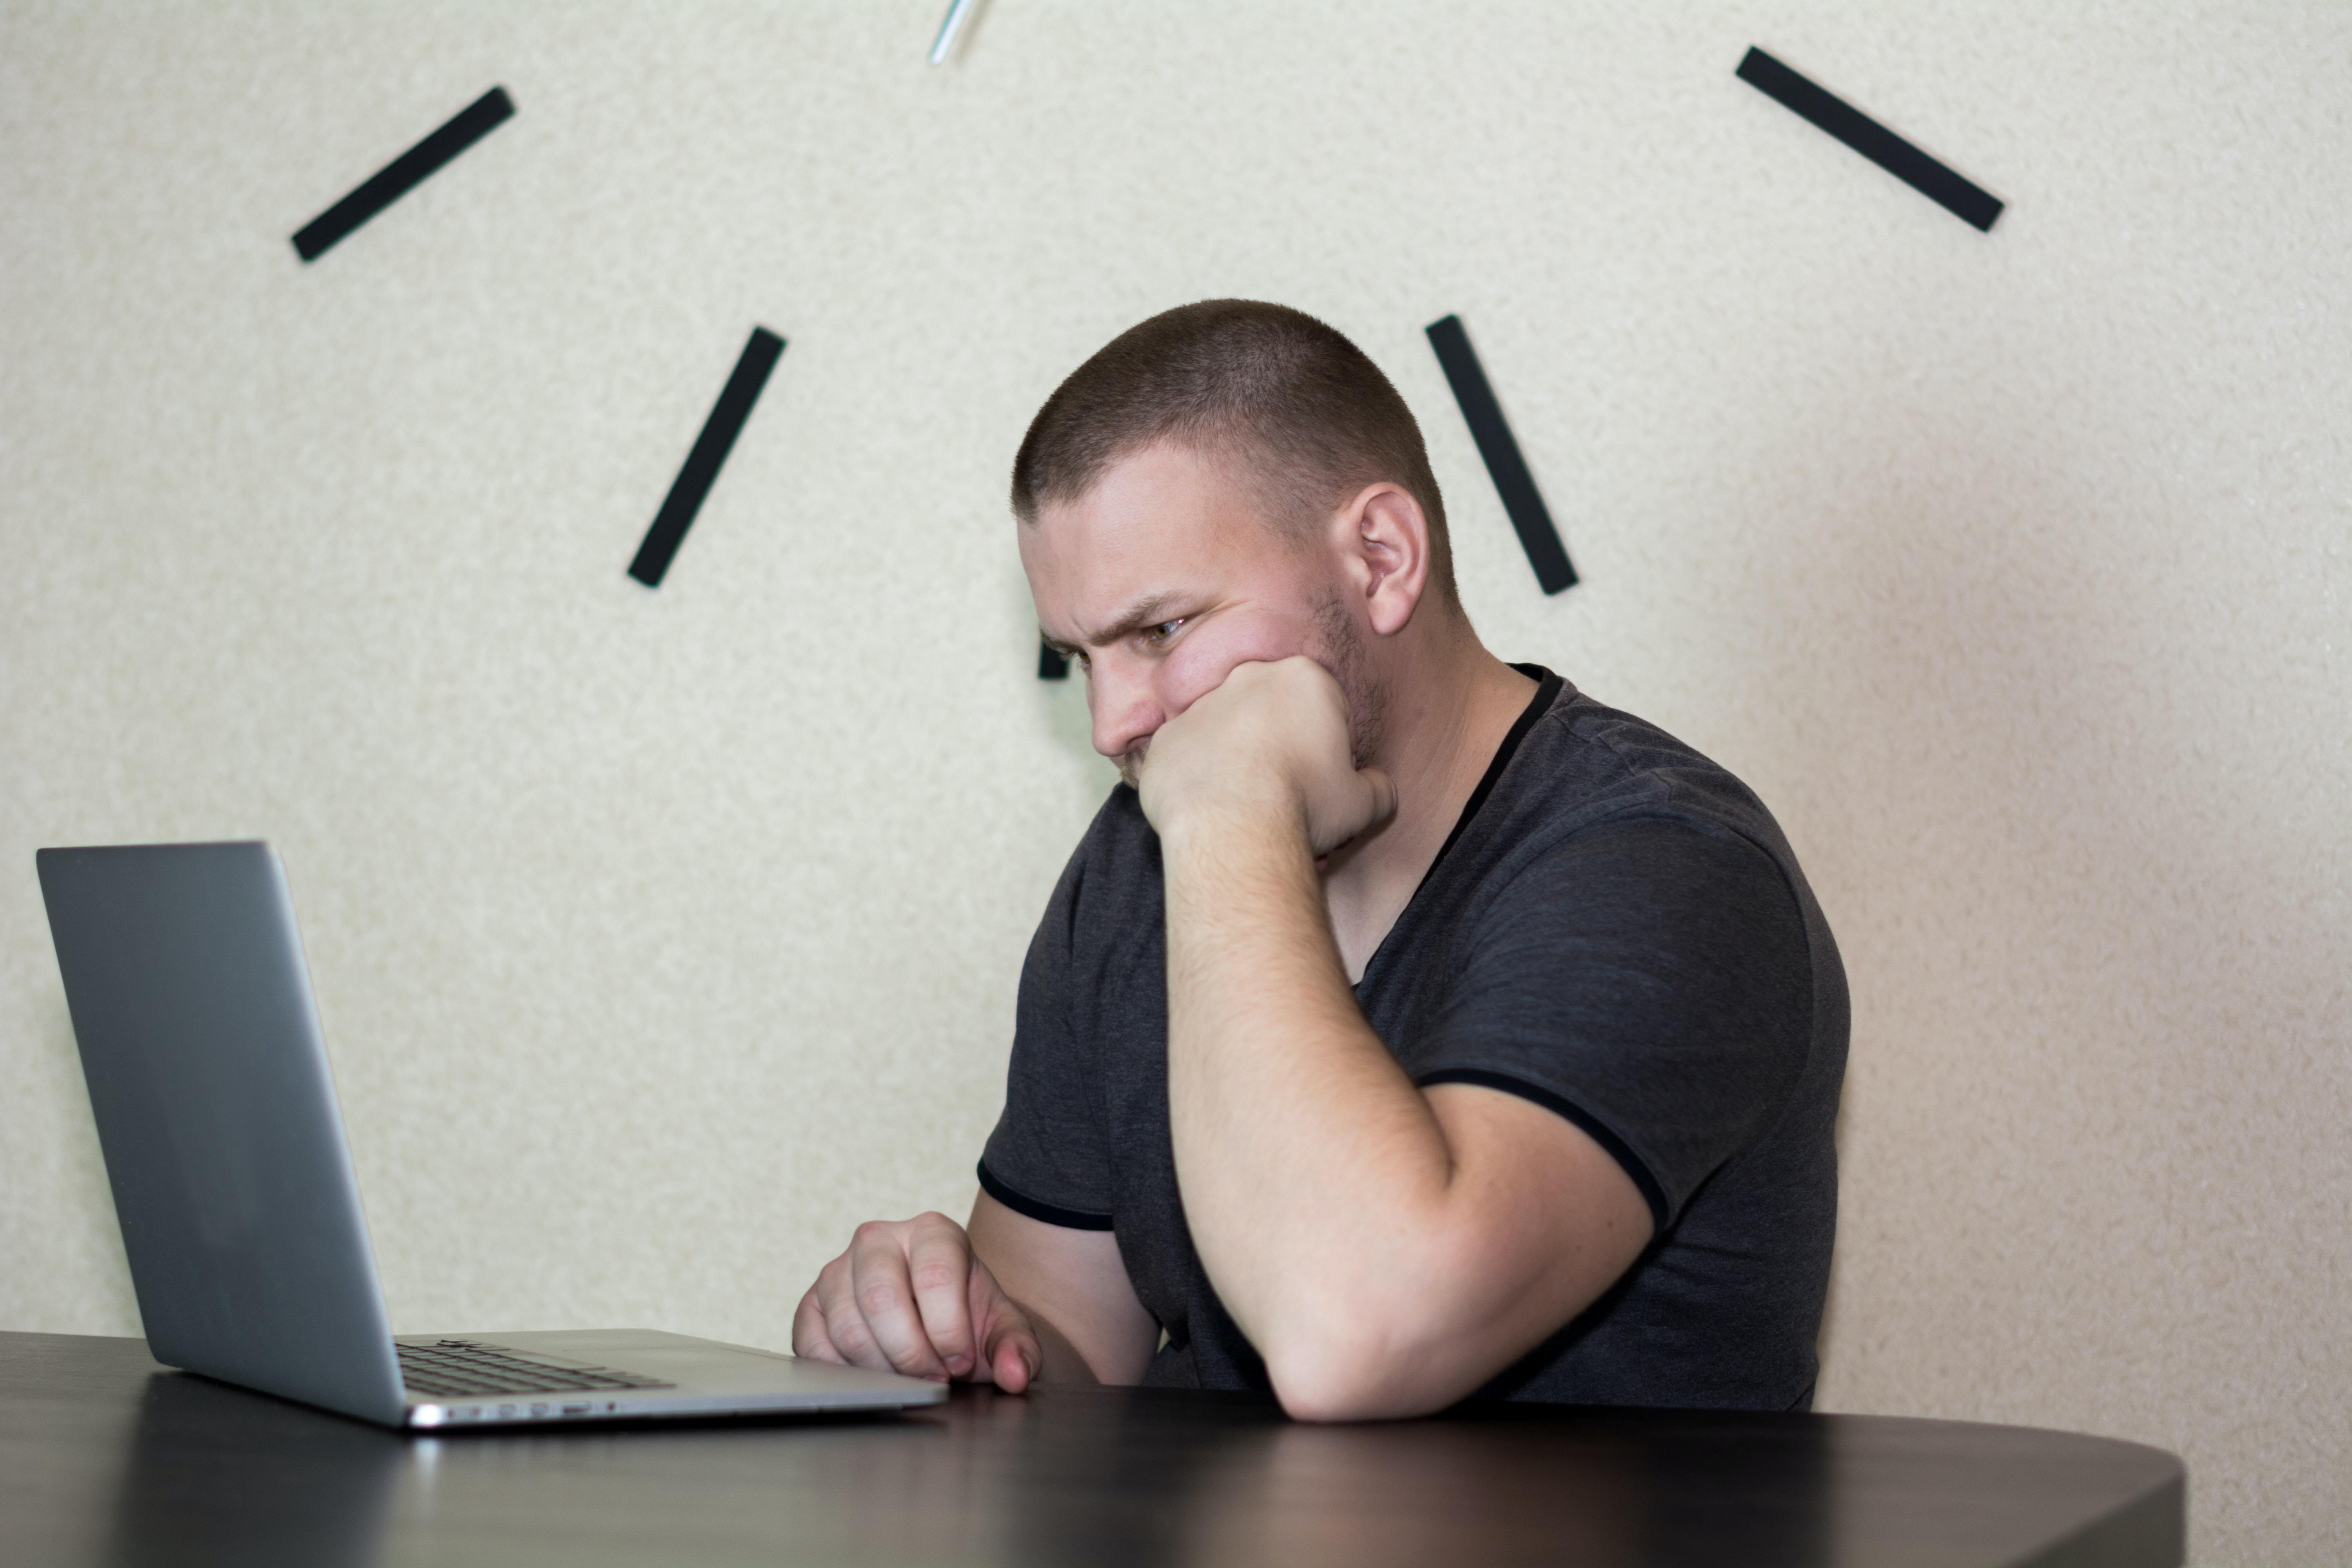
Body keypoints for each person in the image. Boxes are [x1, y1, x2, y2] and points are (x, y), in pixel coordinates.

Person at [792, 300, 1847, 1421]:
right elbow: (1063, 1345)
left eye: (1161, 633)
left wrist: (1233, 818)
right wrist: (937, 1334)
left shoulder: (1667, 866)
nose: (1114, 723)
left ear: (1381, 559)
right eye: (1080, 656)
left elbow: (1357, 1334)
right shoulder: (1139, 861)